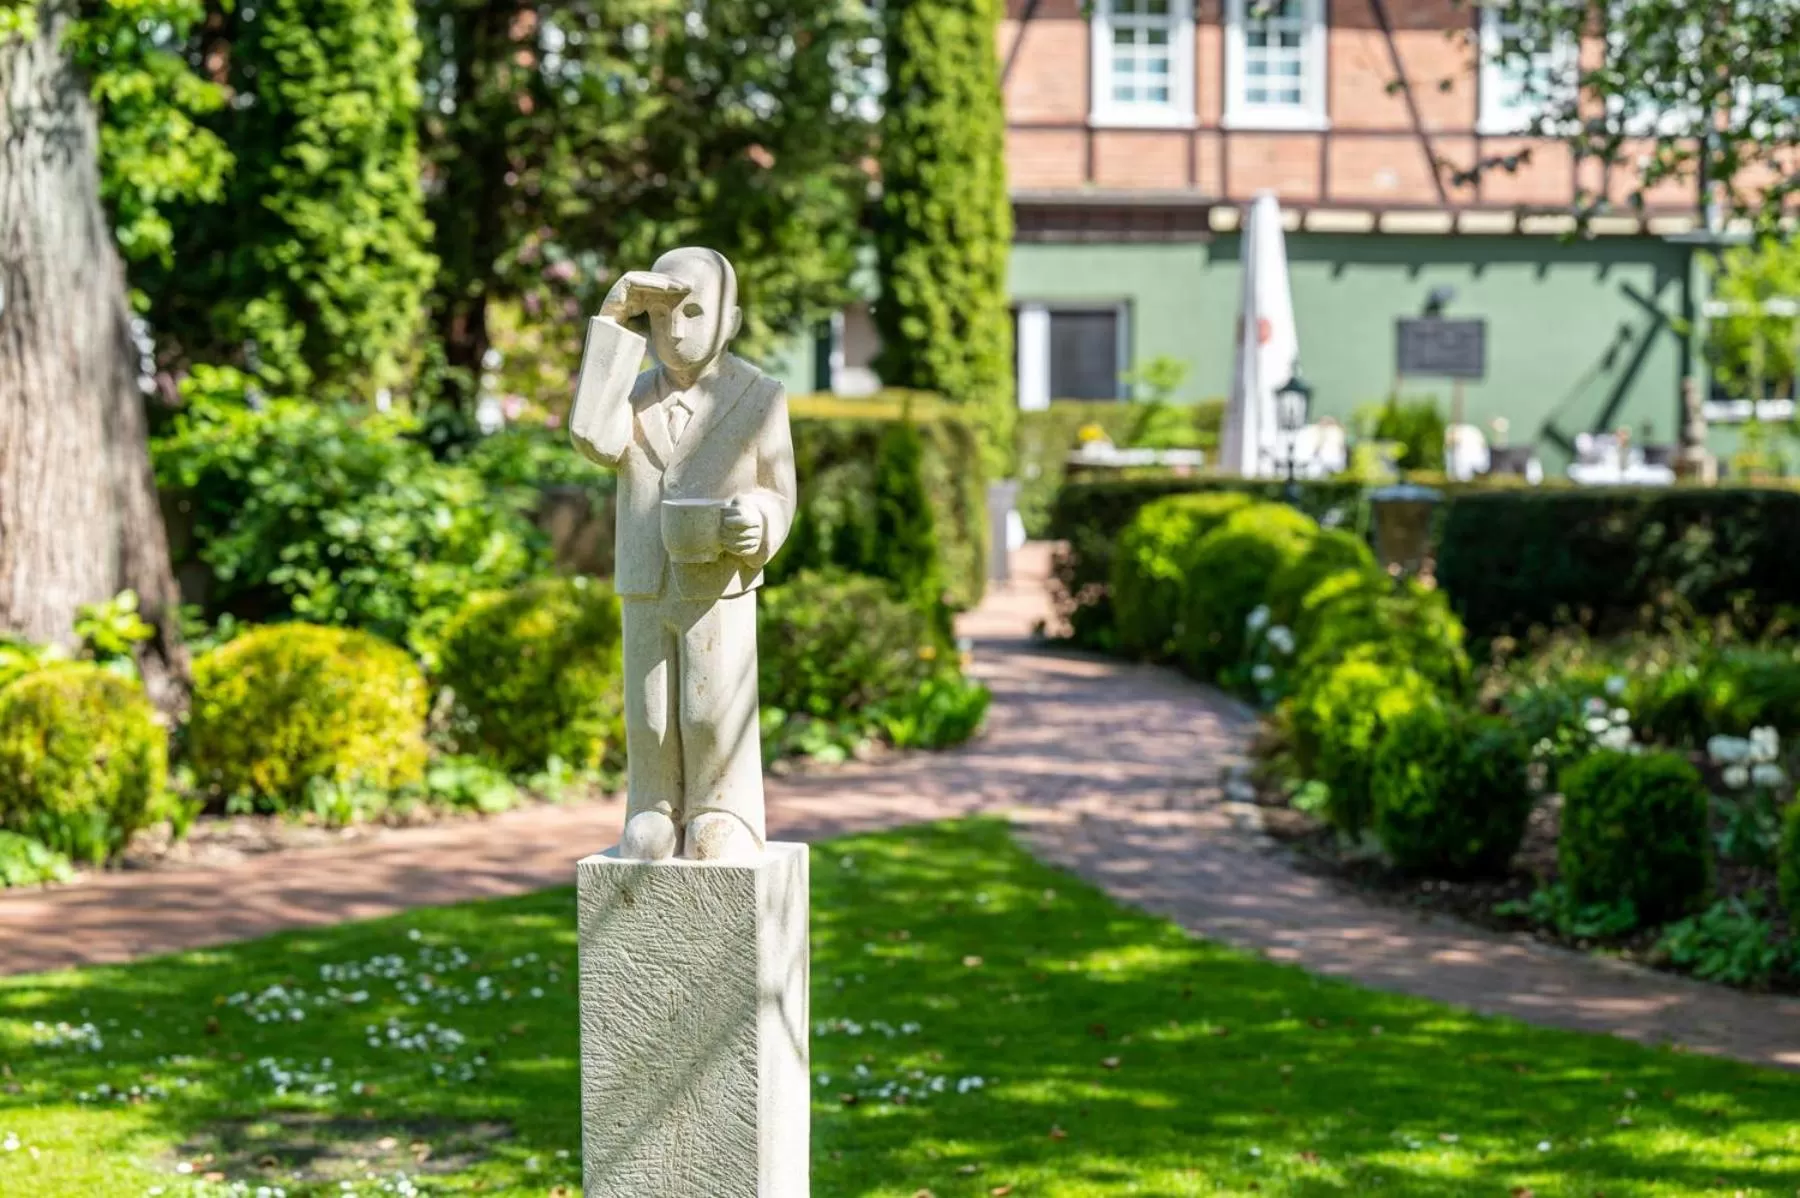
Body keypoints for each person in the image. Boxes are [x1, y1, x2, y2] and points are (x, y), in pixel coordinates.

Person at [569, 247, 797, 862]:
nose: (675, 329)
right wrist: (615, 320)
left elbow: (780, 491)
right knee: (649, 711)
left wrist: (758, 520)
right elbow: (592, 434)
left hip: (717, 580)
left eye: (694, 312)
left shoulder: (760, 396)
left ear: (732, 321)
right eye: (662, 314)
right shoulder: (632, 397)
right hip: (646, 577)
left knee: (711, 703)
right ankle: (652, 806)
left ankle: (723, 809)